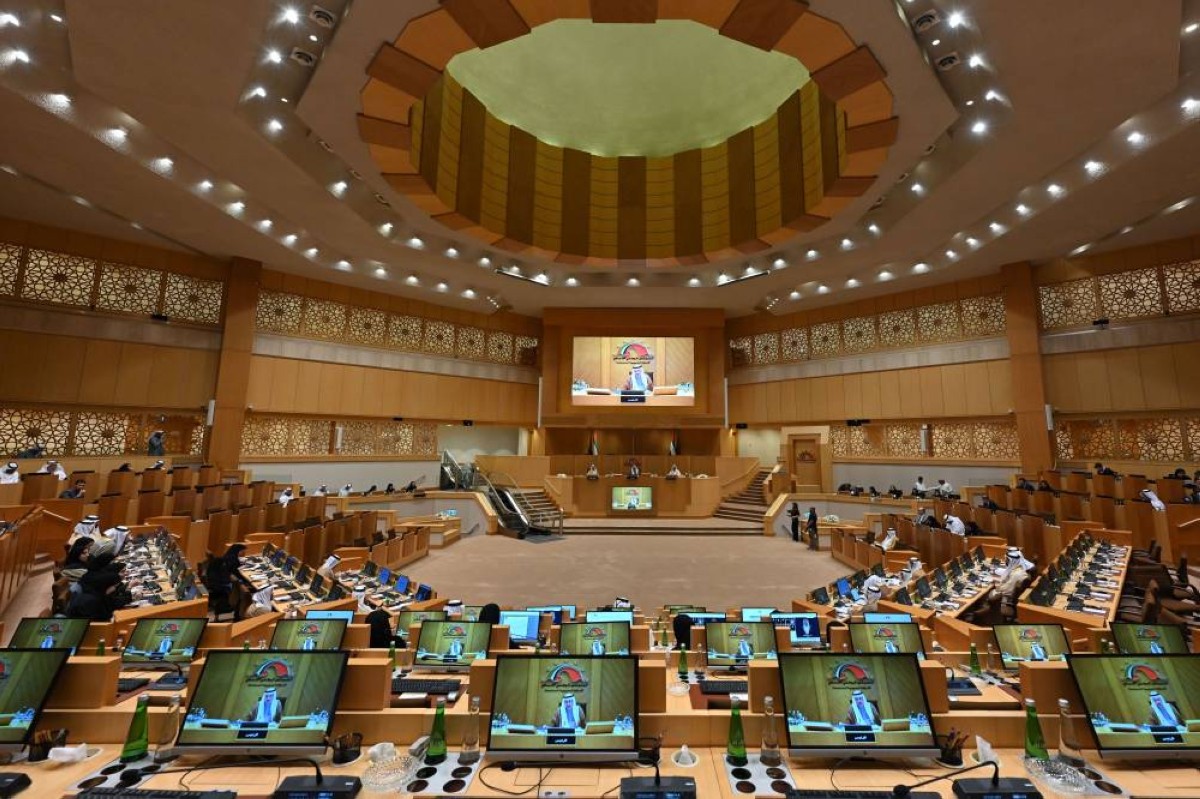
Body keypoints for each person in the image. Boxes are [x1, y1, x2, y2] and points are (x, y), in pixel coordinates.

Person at [68, 539, 130, 620]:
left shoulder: (96, 583)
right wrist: (129, 593)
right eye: (84, 553)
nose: (88, 555)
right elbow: (112, 605)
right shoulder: (97, 596)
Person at [205, 543, 247, 620]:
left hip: (214, 582)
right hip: (221, 585)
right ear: (238, 551)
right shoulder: (233, 561)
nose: (244, 554)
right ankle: (236, 611)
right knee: (241, 588)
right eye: (243, 552)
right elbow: (237, 573)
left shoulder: (226, 557)